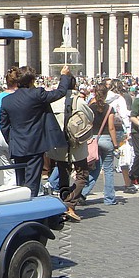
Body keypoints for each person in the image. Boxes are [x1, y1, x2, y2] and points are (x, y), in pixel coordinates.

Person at [0, 65, 72, 197]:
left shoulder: (6, 101)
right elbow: (60, 92)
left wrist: (12, 141)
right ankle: (29, 209)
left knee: (21, 182)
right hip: (35, 145)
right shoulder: (37, 94)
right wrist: (64, 76)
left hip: (18, 147)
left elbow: (4, 126)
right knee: (32, 183)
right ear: (32, 80)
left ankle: (20, 204)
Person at [47, 76, 93, 221]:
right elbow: (90, 118)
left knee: (63, 176)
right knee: (82, 174)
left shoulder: (53, 102)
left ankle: (64, 204)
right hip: (77, 144)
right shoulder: (79, 102)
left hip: (59, 144)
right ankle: (69, 202)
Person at [81, 84, 120, 206]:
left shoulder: (90, 108)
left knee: (94, 169)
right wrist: (115, 144)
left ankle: (82, 193)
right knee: (108, 170)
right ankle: (109, 198)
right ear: (106, 94)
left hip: (93, 139)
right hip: (106, 139)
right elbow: (111, 127)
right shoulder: (109, 109)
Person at [0, 68, 20, 186]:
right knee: (18, 166)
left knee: (7, 168)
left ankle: (7, 189)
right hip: (12, 134)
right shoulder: (18, 97)